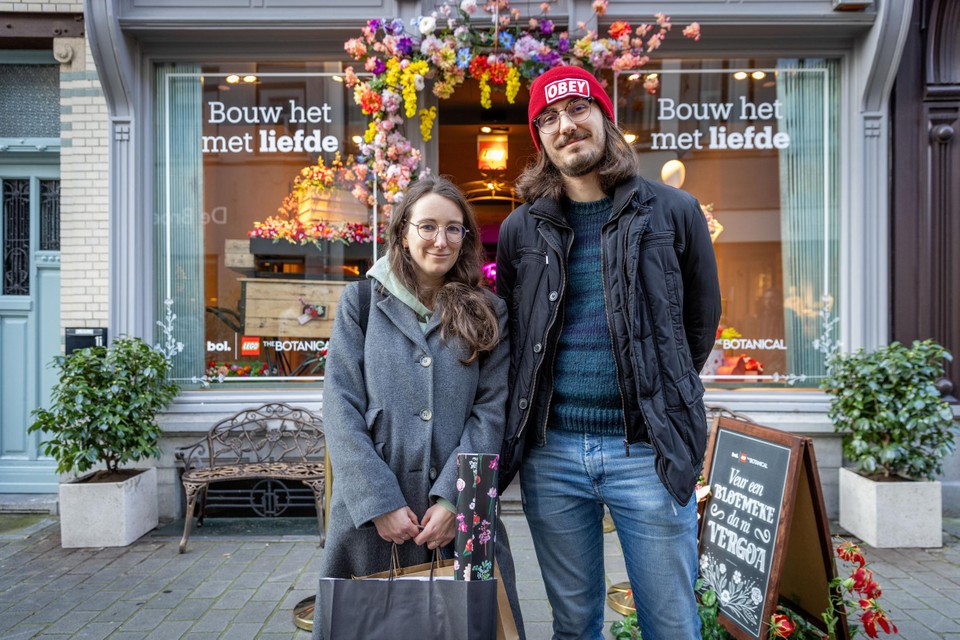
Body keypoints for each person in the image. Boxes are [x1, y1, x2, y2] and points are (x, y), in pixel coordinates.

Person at [496, 65, 721, 640]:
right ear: (540, 140)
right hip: (552, 457)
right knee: (573, 624)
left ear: (604, 117)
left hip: (647, 451)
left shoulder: (672, 211)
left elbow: (699, 323)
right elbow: (517, 339)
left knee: (671, 622)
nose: (565, 125)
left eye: (576, 109)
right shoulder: (523, 227)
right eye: (548, 119)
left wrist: (660, 392)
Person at [314, 175, 524, 639]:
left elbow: (491, 410)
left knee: (473, 627)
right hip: (372, 519)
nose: (441, 240)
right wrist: (379, 502)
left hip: (460, 514)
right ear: (403, 232)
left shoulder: (489, 310)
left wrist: (455, 500)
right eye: (427, 226)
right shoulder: (363, 301)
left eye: (454, 229)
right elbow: (340, 404)